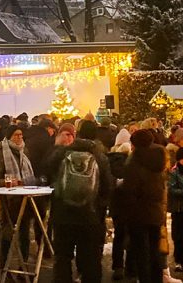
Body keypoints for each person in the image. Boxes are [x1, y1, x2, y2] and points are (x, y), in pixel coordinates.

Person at [45, 120, 113, 283]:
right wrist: (99, 206)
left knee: (62, 258)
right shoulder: (99, 156)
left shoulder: (62, 153)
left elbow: (47, 173)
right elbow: (107, 186)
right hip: (89, 216)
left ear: (78, 133)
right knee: (90, 258)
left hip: (63, 215)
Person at [122, 130, 168, 283]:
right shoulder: (159, 157)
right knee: (155, 251)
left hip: (137, 213)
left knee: (141, 252)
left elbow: (130, 190)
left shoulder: (133, 162)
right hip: (155, 210)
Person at [0, 125, 35, 269]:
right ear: (9, 136)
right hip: (8, 201)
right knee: (7, 235)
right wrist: (6, 182)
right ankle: (5, 267)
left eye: (21, 135)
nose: (19, 138)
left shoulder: (25, 150)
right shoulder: (0, 152)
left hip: (25, 198)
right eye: (16, 135)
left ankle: (24, 266)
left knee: (24, 234)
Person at [107, 133, 132, 280]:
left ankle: (117, 266)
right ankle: (130, 267)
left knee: (119, 236)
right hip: (130, 204)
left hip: (116, 204)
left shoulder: (109, 160)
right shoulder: (130, 162)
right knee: (130, 236)